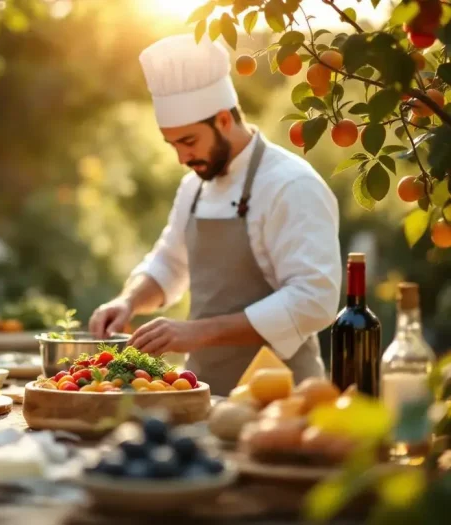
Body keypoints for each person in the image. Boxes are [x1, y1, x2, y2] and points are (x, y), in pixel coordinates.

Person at [88, 35, 342, 396]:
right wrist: (127, 301)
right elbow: (169, 264)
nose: (181, 158)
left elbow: (314, 300)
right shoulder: (194, 187)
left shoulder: (291, 185)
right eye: (173, 145)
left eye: (188, 142)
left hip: (281, 400)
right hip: (204, 396)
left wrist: (199, 331)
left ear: (223, 119)